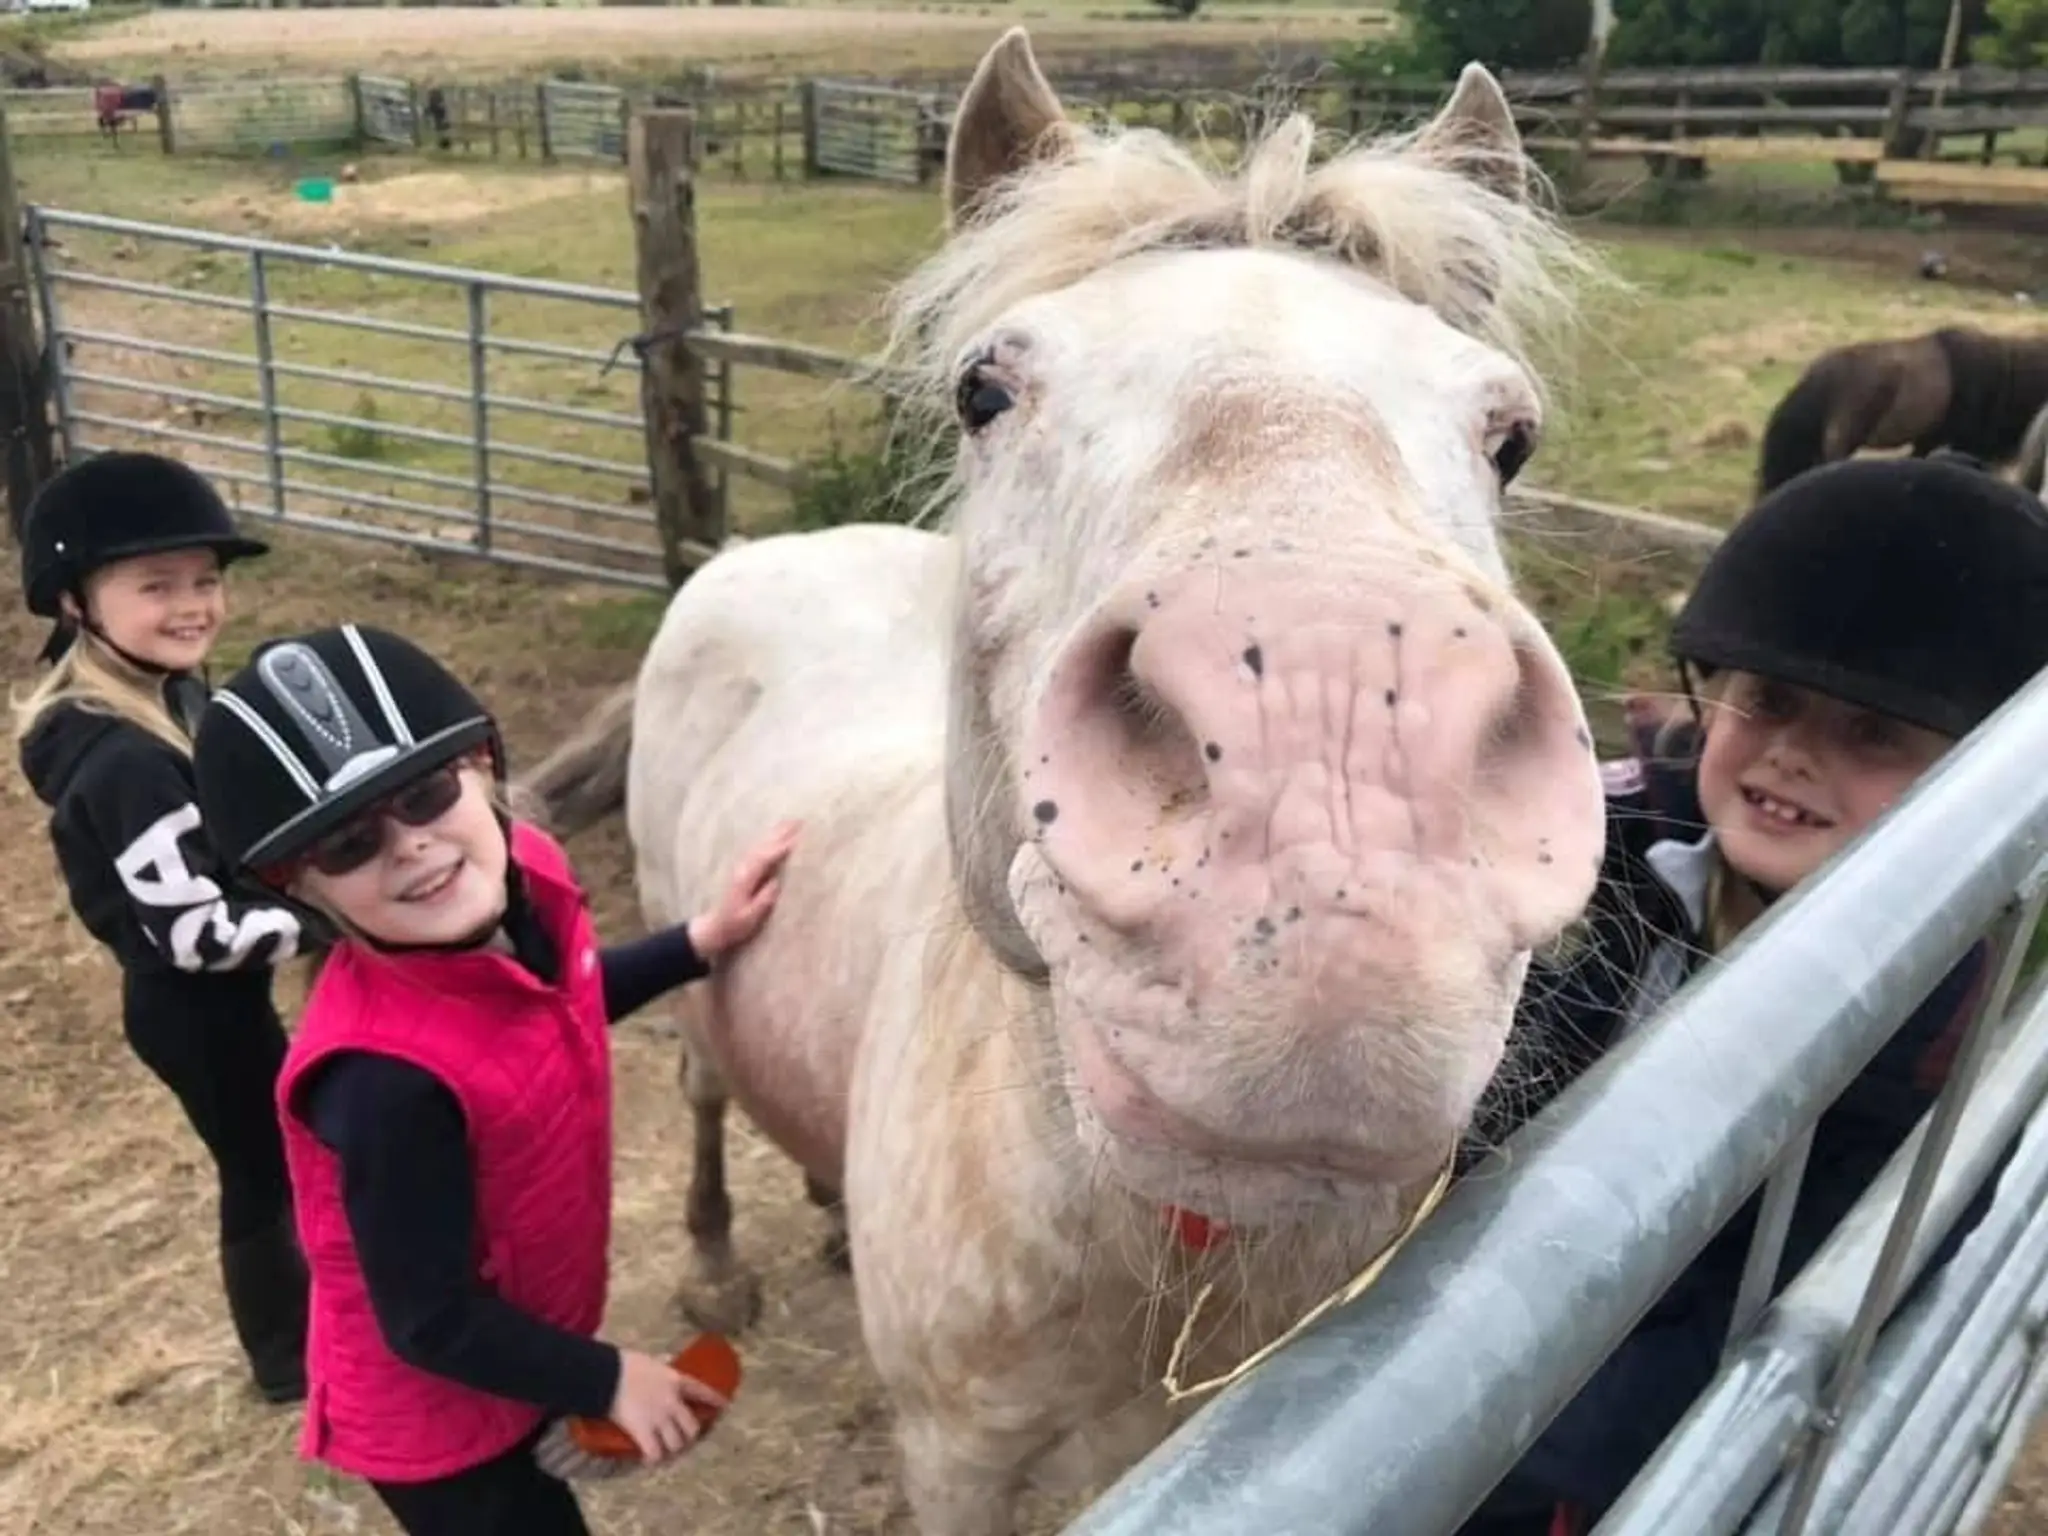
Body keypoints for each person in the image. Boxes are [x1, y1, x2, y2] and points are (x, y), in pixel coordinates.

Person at [1459, 452, 2048, 1536]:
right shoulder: (1591, 843)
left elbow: (1783, 1290)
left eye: (1873, 732)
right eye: (1767, 700)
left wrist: (1517, 1466)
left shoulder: (1923, 1029)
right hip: (1463, 1295)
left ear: (1967, 774)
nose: (1790, 756)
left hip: (1577, 1429)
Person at [188, 621, 800, 1536]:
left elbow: (565, 997)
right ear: (300, 889)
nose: (411, 844)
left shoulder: (531, 885)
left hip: (511, 1337)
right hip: (438, 1426)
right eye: (348, 845)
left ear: (481, 769)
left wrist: (696, 942)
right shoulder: (384, 1084)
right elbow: (428, 1320)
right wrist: (607, 1378)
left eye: (427, 793)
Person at [11, 451, 310, 1404]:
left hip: (215, 996)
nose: (193, 606)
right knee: (262, 1168)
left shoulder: (170, 696)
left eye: (205, 580)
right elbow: (198, 935)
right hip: (193, 1004)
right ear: (75, 604)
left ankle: (306, 1332)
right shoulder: (123, 761)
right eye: (157, 586)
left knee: (280, 1153)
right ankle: (286, 1360)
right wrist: (326, 923)